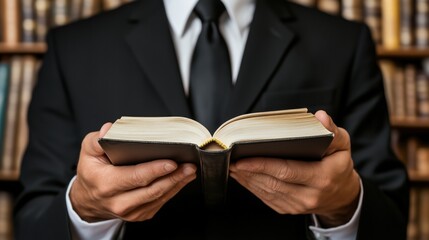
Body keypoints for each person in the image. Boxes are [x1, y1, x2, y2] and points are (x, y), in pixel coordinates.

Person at [14, 0, 409, 239]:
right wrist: (86, 208)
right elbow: (32, 222)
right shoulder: (75, 47)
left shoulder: (342, 42)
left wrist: (343, 206)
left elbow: (391, 218)